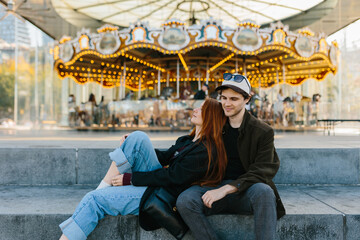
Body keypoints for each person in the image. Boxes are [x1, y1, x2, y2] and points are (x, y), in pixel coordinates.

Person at [58, 98, 227, 240]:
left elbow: (171, 176)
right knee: (137, 137)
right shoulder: (186, 141)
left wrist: (130, 179)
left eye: (202, 109)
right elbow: (164, 157)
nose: (195, 109)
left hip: (159, 195)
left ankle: (102, 188)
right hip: (155, 185)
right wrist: (130, 147)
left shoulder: (206, 151)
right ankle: (105, 185)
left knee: (93, 199)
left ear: (211, 117)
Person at [176, 73, 286, 240]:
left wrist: (225, 189)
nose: (227, 103)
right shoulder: (215, 122)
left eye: (234, 99)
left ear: (247, 99)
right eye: (223, 98)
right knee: (185, 200)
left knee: (265, 191)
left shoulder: (262, 131)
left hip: (246, 190)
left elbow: (263, 170)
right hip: (213, 186)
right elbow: (188, 144)